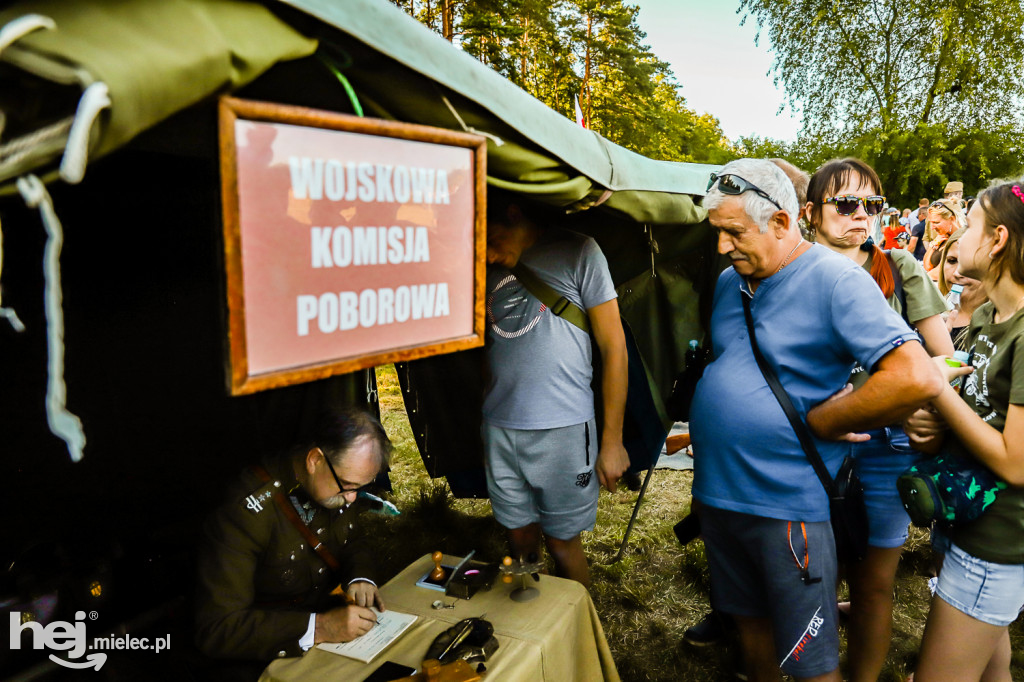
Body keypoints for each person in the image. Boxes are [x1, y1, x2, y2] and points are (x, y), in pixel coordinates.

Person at [690, 158, 942, 682]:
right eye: (717, 232)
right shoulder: (727, 283)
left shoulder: (835, 278)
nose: (721, 247)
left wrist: (829, 420)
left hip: (788, 505)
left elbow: (915, 375)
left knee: (809, 660)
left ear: (782, 223)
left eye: (733, 232)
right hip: (718, 496)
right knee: (750, 627)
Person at [804, 158, 953, 682]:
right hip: (809, 446)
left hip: (888, 445)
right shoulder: (789, 270)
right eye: (845, 204)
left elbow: (947, 358)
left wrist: (931, 408)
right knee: (813, 574)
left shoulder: (899, 267)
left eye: (871, 205)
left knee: (873, 584)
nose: (860, 215)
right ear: (811, 213)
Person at [904, 180, 1024, 682]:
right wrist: (923, 420)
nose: (958, 233)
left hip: (993, 544)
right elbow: (954, 398)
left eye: (969, 224)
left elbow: (1016, 461)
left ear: (996, 239)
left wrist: (937, 391)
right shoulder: (986, 321)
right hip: (966, 526)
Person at [482, 191, 628, 587]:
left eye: (493, 240)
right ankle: (535, 627)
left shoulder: (579, 251)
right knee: (519, 539)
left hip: (565, 429)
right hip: (500, 427)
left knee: (563, 542)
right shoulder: (484, 260)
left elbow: (614, 347)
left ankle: (577, 633)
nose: (490, 255)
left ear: (514, 213)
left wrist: (612, 441)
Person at [195, 408, 392, 663]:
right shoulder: (244, 512)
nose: (352, 497)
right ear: (314, 460)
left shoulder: (333, 480)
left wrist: (360, 576)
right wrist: (319, 627)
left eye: (360, 487)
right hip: (266, 653)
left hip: (327, 630)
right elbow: (218, 629)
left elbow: (352, 539)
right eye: (348, 486)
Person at [937, 227, 986, 351]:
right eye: (952, 261)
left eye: (969, 263)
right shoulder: (931, 314)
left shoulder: (999, 323)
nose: (957, 273)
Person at [923, 199, 966, 280]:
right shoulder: (942, 236)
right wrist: (932, 245)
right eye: (931, 222)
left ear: (952, 219)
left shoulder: (962, 239)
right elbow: (927, 266)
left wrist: (922, 279)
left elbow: (940, 273)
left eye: (936, 222)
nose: (932, 227)